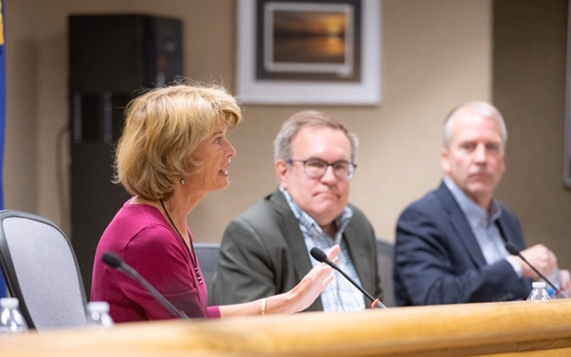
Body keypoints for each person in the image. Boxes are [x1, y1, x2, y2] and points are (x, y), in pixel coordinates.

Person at [91, 83, 337, 322]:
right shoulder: (149, 237)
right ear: (179, 154)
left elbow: (194, 317)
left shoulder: (169, 220)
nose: (231, 151)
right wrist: (290, 302)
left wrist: (291, 301)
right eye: (218, 139)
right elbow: (197, 332)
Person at [394, 100, 571, 305]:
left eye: (491, 147)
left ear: (503, 162)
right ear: (446, 159)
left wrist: (551, 284)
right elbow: (434, 297)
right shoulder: (419, 218)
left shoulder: (507, 218)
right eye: (468, 147)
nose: (481, 158)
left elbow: (518, 292)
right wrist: (515, 266)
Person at [212, 110, 381, 312]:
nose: (330, 178)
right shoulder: (251, 234)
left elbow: (377, 309)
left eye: (340, 166)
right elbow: (248, 331)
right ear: (284, 171)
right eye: (315, 165)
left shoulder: (357, 224)